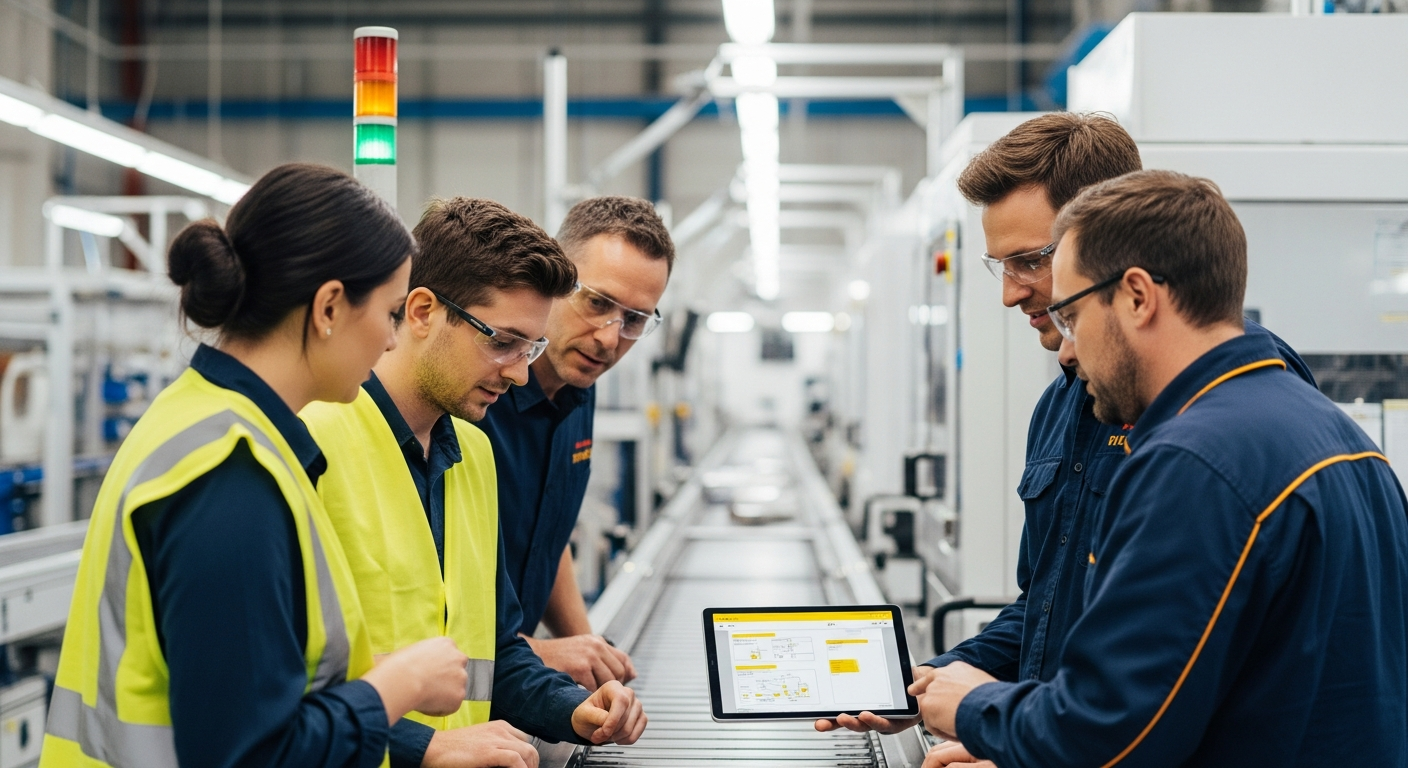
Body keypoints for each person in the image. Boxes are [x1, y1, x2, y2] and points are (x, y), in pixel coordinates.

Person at [815, 114, 1314, 767]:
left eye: (1030, 261)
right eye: (999, 263)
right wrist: (930, 686)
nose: (1010, 293)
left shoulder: (1208, 450)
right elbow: (1049, 609)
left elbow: (1157, 706)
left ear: (1107, 239)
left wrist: (985, 717)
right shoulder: (1068, 405)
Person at [916, 170, 1408, 766]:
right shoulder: (1336, 434)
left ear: (1137, 297)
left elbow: (1109, 732)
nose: (1066, 349)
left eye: (1071, 317)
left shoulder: (1195, 462)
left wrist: (976, 707)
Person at [41, 163, 471, 768]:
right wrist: (398, 687)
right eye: (391, 312)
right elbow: (249, 754)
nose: (393, 341)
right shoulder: (228, 477)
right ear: (328, 308)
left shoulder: (205, 421)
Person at [302, 198, 648, 768]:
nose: (517, 374)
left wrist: (573, 708)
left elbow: (495, 652)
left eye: (530, 348)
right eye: (502, 342)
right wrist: (425, 748)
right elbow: (276, 688)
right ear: (421, 312)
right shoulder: (313, 443)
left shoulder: (474, 453)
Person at [478, 197, 673, 690]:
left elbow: (548, 537)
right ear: (557, 280)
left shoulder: (579, 388)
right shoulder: (476, 398)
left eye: (634, 320)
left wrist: (589, 652)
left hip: (511, 686)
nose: (610, 339)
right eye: (598, 303)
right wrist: (540, 652)